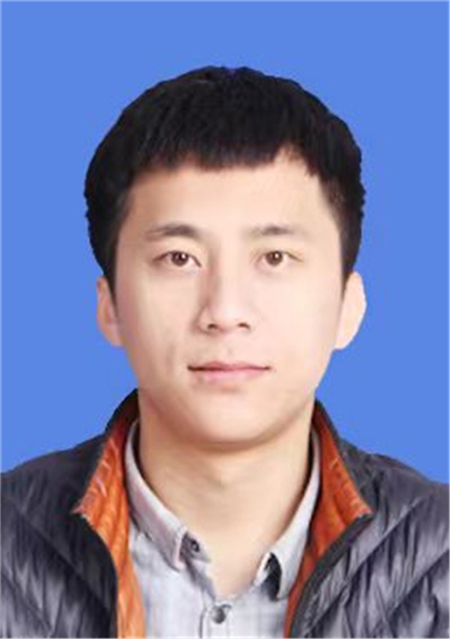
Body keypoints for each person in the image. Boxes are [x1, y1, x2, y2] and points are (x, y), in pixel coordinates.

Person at [1, 65, 448, 639]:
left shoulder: (438, 560)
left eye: (274, 258)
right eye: (179, 259)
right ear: (110, 305)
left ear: (348, 305)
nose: (225, 310)